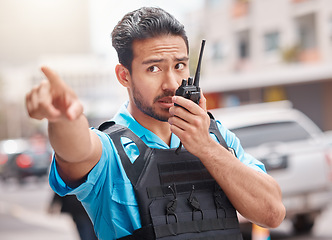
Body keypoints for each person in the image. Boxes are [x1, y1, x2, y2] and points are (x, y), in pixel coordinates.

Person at [25, 7, 285, 240]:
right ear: (124, 75)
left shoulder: (217, 138)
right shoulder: (109, 150)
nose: (171, 83)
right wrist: (63, 118)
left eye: (180, 65)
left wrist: (206, 147)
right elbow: (76, 150)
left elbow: (272, 214)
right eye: (154, 69)